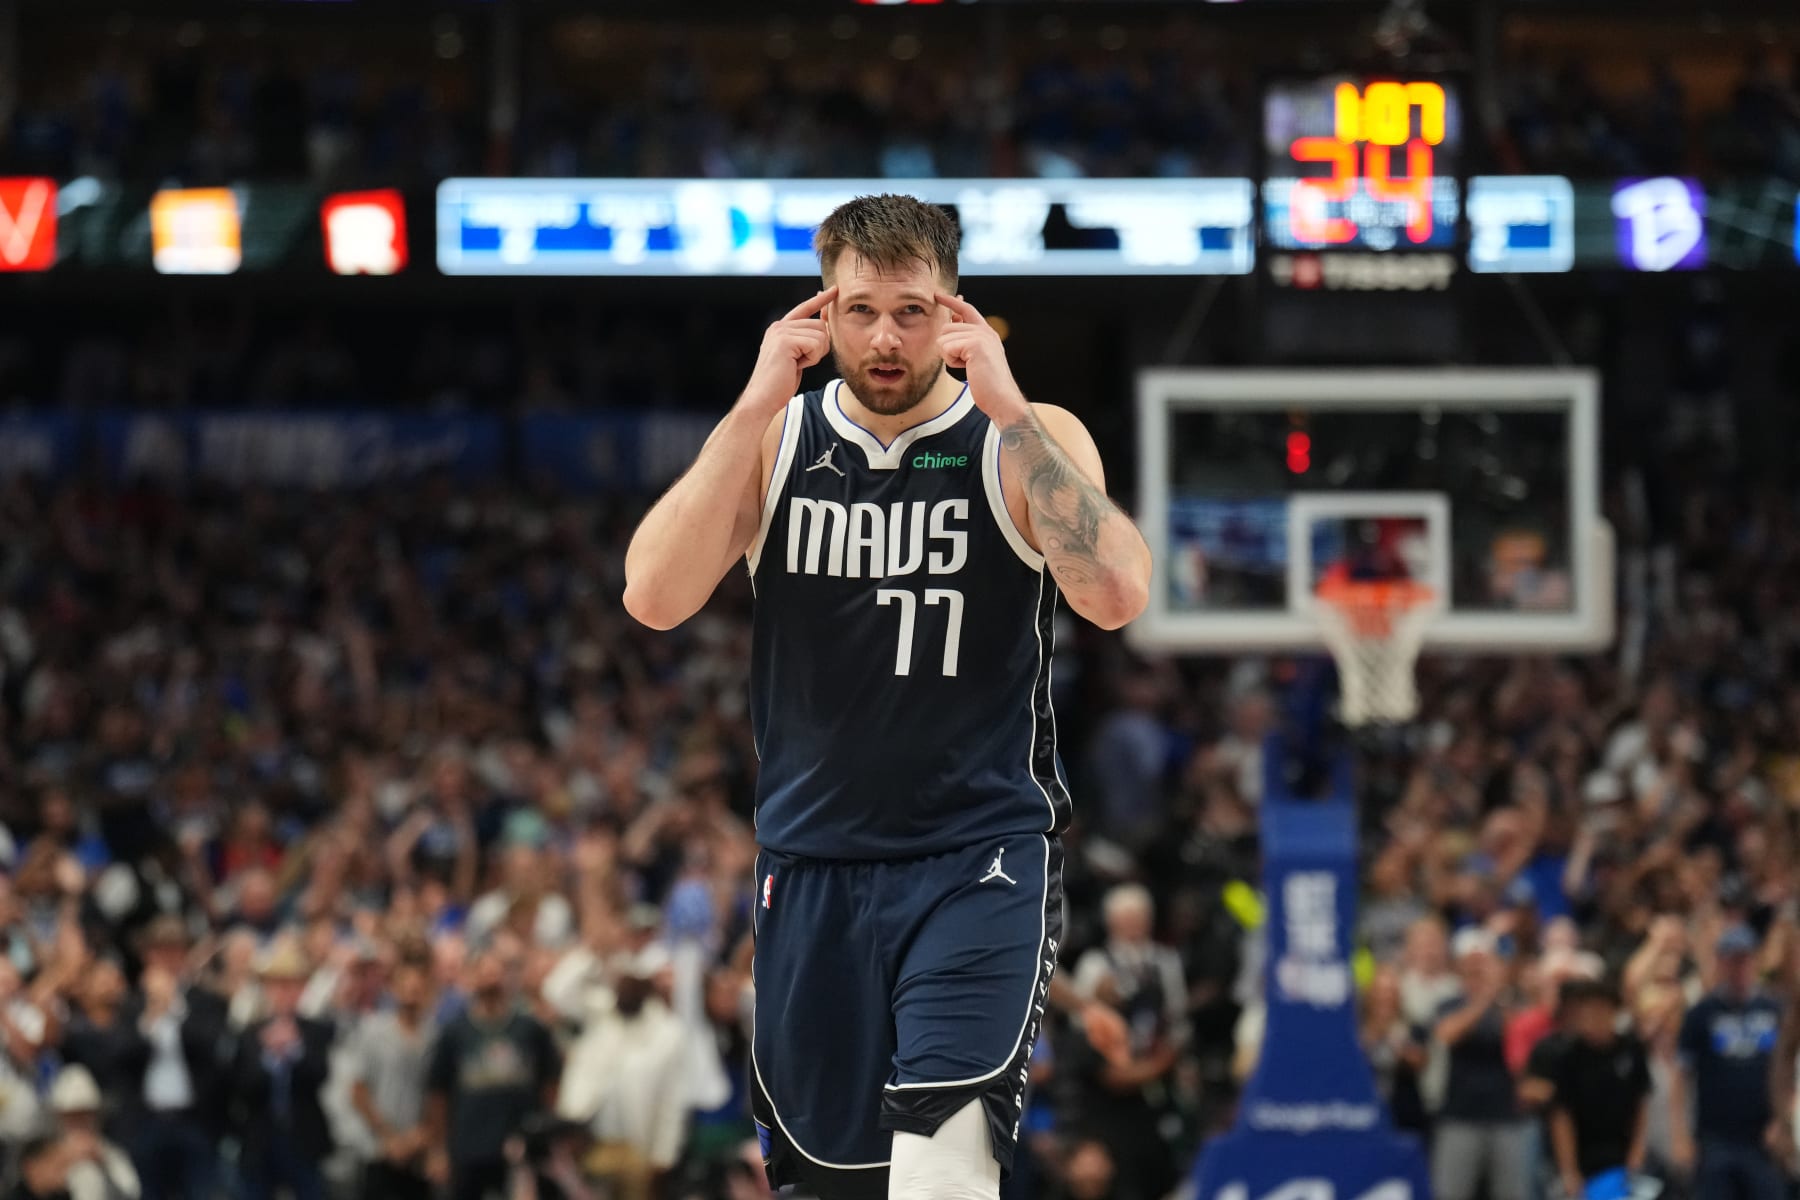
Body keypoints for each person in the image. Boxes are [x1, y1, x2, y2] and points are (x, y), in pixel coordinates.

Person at [624, 193, 1152, 1200]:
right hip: (812, 864)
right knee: (835, 1184)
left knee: (942, 1175)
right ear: (822, 311)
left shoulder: (1022, 438)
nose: (884, 337)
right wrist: (750, 405)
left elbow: (1118, 594)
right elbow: (652, 598)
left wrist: (1007, 406)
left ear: (954, 309)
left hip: (979, 858)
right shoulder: (776, 442)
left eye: (912, 310)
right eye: (860, 309)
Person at [424, 948, 561, 1200]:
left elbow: (550, 1081)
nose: (490, 979)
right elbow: (438, 1094)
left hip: (519, 1148)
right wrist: (438, 1149)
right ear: (470, 978)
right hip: (468, 1148)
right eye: (483, 973)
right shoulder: (454, 1033)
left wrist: (544, 1131)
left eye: (496, 973)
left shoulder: (530, 1029)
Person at [1681, 925, 1784, 1200]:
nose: (1739, 967)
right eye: (1732, 960)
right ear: (1720, 963)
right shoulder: (1701, 1014)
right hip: (1716, 1138)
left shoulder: (1775, 1009)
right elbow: (1682, 1076)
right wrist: (1681, 1134)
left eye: (1745, 959)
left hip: (1763, 1136)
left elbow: (1786, 1072)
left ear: (1755, 962)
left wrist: (1782, 1121)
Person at [229, 941, 336, 1200]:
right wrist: (269, 1057)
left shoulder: (315, 1030)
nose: (283, 992)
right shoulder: (250, 1034)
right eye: (277, 985)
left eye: (291, 985)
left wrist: (294, 1048)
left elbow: (319, 1075)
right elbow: (243, 1086)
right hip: (260, 1139)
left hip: (303, 1136)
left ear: (301, 989)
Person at [1430, 929, 1532, 1200]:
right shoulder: (1450, 1004)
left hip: (1507, 1117)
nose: (1478, 974)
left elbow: (1522, 1050)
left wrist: (1500, 998)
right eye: (1472, 968)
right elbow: (1447, 1035)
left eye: (1484, 967)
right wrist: (1484, 998)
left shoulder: (1512, 1005)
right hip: (1459, 1117)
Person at [1542, 980, 1651, 1200]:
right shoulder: (1567, 1056)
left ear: (1613, 1012)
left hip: (1621, 1155)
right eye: (1586, 1012)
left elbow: (1641, 1102)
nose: (1592, 1018)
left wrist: (1637, 1151)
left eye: (1599, 1011)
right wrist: (1569, 1170)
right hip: (1583, 1158)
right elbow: (1561, 1116)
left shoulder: (1631, 1050)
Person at [346, 955, 438, 1200]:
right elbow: (358, 1091)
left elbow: (440, 1096)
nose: (412, 992)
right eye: (406, 985)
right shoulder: (373, 1030)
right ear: (393, 989)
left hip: (420, 1151)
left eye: (419, 986)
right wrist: (389, 1137)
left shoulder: (437, 1037)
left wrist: (422, 1135)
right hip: (380, 1149)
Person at [47, 1064, 142, 1200]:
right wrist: (62, 1162)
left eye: (85, 1114)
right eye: (72, 1115)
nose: (79, 1122)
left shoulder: (109, 1152)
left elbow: (132, 1192)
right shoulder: (46, 1153)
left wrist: (103, 1162)